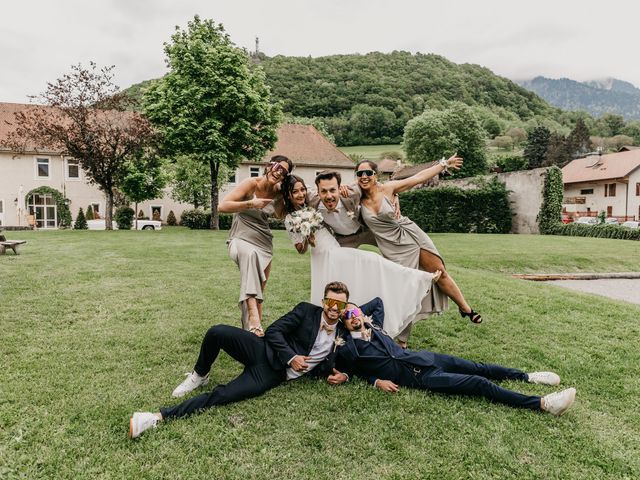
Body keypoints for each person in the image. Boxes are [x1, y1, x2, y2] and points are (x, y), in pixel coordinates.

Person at [129, 281, 377, 439]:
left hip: (271, 375)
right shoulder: (305, 311)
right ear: (323, 301)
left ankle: (154, 418)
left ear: (345, 307)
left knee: (223, 396)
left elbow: (360, 351)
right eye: (330, 301)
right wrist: (291, 357)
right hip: (262, 350)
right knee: (217, 332)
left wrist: (346, 374)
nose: (334, 308)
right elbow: (274, 331)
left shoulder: (344, 334)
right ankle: (199, 375)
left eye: (340, 304)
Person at [331, 301, 577, 416]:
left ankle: (528, 376)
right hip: (421, 376)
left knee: (478, 366)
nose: (352, 316)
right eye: (347, 316)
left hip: (427, 357)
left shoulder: (374, 325)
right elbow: (356, 369)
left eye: (354, 312)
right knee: (478, 383)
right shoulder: (350, 347)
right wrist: (376, 382)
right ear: (343, 323)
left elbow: (377, 303)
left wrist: (358, 313)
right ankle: (542, 404)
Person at [280, 174, 441, 341]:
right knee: (370, 260)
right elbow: (300, 249)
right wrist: (307, 236)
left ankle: (416, 279)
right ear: (288, 195)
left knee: (360, 272)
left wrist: (395, 195)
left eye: (302, 190)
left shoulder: (312, 200)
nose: (300, 194)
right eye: (295, 191)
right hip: (321, 255)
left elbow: (365, 184)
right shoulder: (290, 219)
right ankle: (419, 277)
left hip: (335, 248)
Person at [355, 156, 481, 346]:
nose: (364, 176)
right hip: (392, 249)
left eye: (368, 173)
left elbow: (418, 178)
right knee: (405, 290)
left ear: (376, 175)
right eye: (360, 173)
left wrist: (443, 165)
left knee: (439, 272)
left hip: (410, 236)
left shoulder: (389, 188)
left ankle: (466, 309)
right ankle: (400, 339)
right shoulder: (355, 197)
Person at [218, 155, 293, 336]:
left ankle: (253, 334)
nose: (279, 172)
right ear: (269, 166)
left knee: (257, 293)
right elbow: (222, 206)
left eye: (284, 172)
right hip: (240, 238)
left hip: (263, 242)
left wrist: (288, 195)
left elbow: (282, 215)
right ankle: (253, 318)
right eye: (277, 167)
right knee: (250, 256)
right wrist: (251, 203)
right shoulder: (251, 183)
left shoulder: (278, 192)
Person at [306, 170, 377, 248]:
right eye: (323, 191)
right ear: (318, 192)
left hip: (366, 230)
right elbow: (299, 185)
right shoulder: (313, 201)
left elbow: (369, 184)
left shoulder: (352, 193)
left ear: (339, 189)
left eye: (333, 190)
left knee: (390, 249)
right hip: (344, 239)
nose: (329, 196)